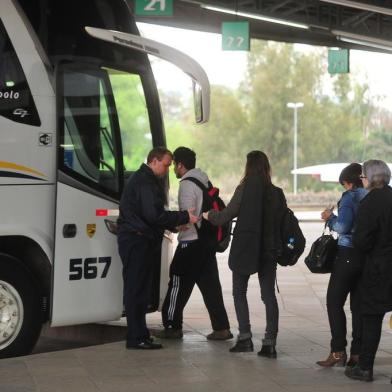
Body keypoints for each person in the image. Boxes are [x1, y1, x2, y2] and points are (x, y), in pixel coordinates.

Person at [204, 150, 285, 357]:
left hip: (246, 249)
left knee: (239, 293)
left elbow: (224, 216)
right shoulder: (276, 193)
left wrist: (208, 214)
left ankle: (245, 338)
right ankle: (270, 344)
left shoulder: (244, 189)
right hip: (269, 251)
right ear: (266, 167)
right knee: (268, 296)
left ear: (248, 167)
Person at [117, 147, 198, 350]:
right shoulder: (144, 182)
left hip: (140, 240)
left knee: (140, 289)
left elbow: (152, 215)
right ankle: (136, 338)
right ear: (154, 161)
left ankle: (140, 335)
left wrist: (174, 224)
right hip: (137, 241)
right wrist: (184, 217)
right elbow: (154, 215)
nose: (168, 169)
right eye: (165, 164)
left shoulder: (147, 179)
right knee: (136, 290)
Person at [156, 147, 232, 340]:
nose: (173, 168)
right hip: (206, 242)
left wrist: (176, 224)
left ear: (180, 165)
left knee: (177, 283)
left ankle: (172, 326)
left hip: (191, 242)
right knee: (210, 285)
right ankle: (221, 328)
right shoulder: (203, 179)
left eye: (174, 164)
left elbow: (187, 214)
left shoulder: (187, 184)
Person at [345, 159, 392, 382]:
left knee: (372, 317)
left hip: (378, 268)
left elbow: (362, 240)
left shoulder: (370, 203)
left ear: (371, 178)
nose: (361, 180)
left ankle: (365, 367)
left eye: (363, 176)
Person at [316, 163, 367, 368]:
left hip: (347, 254)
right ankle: (357, 353)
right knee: (358, 306)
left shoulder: (350, 197)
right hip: (365, 255)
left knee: (334, 302)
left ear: (347, 182)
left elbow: (343, 227)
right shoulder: (370, 195)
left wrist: (330, 218)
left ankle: (338, 351)